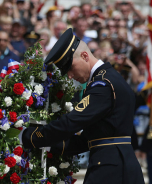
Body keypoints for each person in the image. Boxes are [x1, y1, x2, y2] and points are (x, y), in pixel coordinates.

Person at [19, 28, 144, 183]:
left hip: (110, 169)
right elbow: (89, 139)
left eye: (70, 67)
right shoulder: (111, 78)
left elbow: (70, 122)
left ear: (85, 56)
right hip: (120, 164)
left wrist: (29, 136)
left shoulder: (102, 85)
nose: (70, 75)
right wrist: (50, 145)